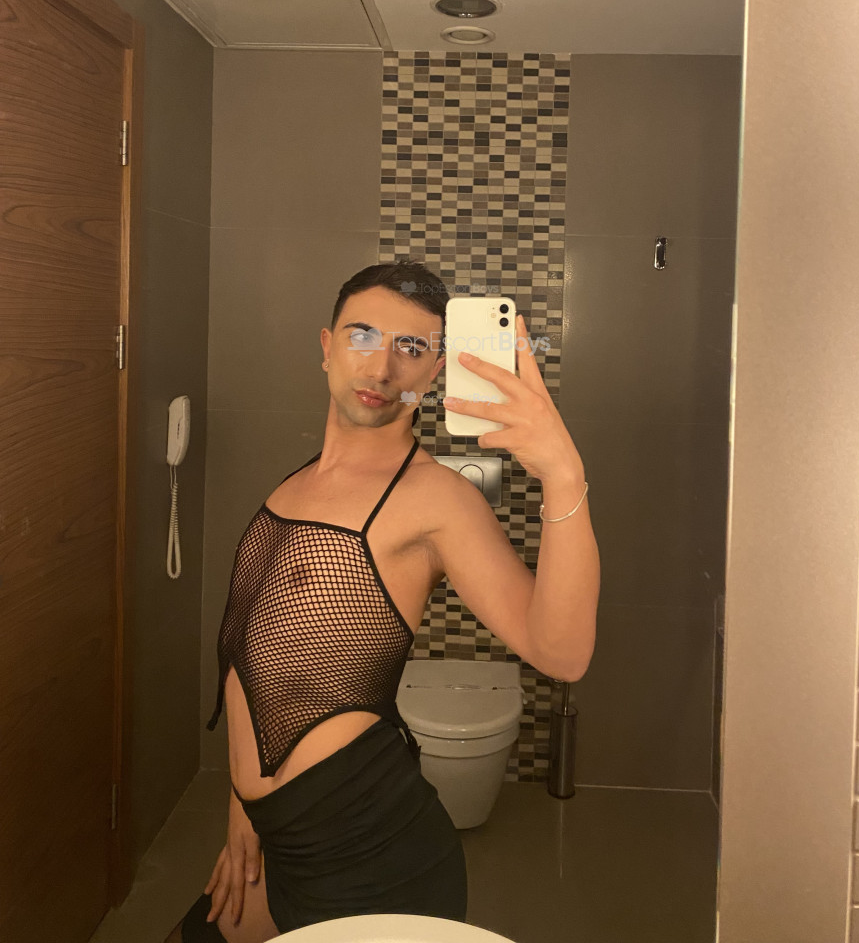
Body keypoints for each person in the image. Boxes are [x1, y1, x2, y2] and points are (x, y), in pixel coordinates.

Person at [165, 260, 600, 943]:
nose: (382, 366)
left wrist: (563, 474)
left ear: (436, 371)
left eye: (412, 347)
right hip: (278, 844)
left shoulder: (438, 499)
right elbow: (262, 667)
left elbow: (562, 653)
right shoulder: (294, 486)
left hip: (372, 858)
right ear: (326, 347)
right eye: (362, 335)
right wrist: (242, 811)